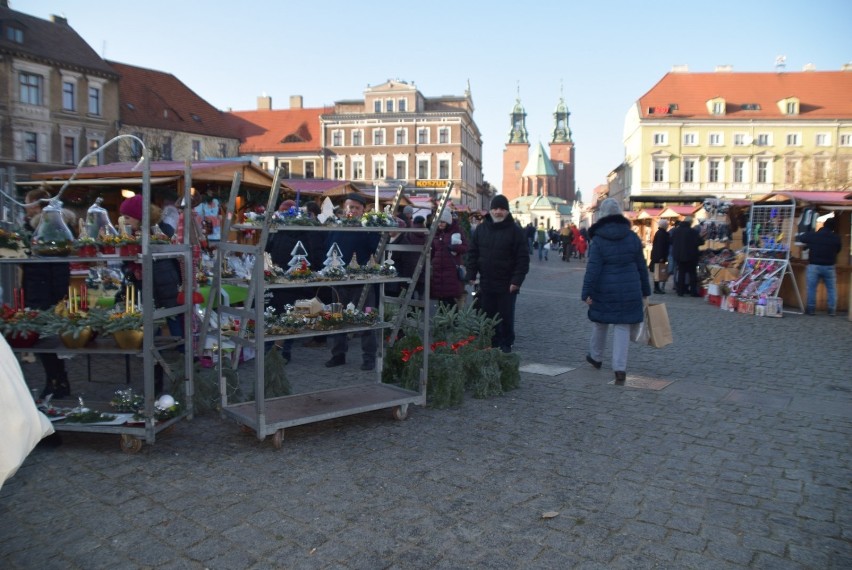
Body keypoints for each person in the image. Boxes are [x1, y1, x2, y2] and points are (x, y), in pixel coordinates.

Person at [581, 198, 651, 385]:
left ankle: (596, 357)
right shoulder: (632, 237)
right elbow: (641, 266)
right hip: (630, 287)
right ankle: (620, 369)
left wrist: (586, 291)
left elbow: (593, 268)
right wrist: (645, 289)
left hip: (604, 288)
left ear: (602, 215)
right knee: (622, 326)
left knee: (600, 322)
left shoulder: (598, 239)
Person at [118, 194, 183, 393]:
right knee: (152, 339)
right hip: (149, 290)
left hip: (161, 291)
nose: (124, 221)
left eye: (128, 217)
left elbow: (168, 263)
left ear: (140, 216)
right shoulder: (134, 234)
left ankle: (183, 374)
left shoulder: (158, 232)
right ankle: (158, 382)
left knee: (171, 334)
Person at [21, 187, 75, 399]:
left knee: (47, 339)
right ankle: (56, 379)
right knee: (45, 339)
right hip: (42, 285)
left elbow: (53, 265)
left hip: (44, 288)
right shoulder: (42, 227)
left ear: (39, 205)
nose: (26, 209)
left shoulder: (48, 227)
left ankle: (56, 380)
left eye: (29, 204)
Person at [465, 194, 530, 353]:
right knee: (487, 314)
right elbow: (472, 254)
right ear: (491, 210)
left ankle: (506, 344)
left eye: (502, 209)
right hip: (486, 282)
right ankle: (490, 342)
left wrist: (517, 280)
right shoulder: (481, 229)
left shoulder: (515, 231)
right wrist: (471, 274)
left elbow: (522, 259)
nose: (498, 212)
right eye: (495, 208)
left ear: (507, 211)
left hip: (507, 284)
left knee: (506, 316)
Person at [325, 193, 381, 370]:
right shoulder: (337, 227)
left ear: (363, 210)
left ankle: (369, 357)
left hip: (362, 282)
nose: (353, 211)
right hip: (338, 280)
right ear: (344, 208)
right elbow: (327, 248)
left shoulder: (369, 228)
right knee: (336, 318)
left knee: (367, 318)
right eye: (350, 207)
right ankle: (338, 354)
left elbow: (377, 250)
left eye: (357, 208)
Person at [798, 217, 842, 316]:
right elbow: (838, 250)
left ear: (824, 224)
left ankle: (811, 309)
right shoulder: (836, 238)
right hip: (829, 266)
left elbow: (802, 238)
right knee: (831, 289)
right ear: (833, 228)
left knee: (812, 288)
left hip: (814, 265)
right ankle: (832, 310)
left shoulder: (814, 235)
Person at [430, 208, 468, 308]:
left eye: (442, 222)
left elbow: (465, 247)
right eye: (438, 222)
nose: (440, 224)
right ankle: (442, 322)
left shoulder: (456, 231)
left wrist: (454, 247)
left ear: (448, 221)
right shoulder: (435, 233)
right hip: (438, 271)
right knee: (440, 301)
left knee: (450, 300)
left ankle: (452, 322)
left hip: (451, 272)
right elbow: (433, 250)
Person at [670, 216, 705, 297]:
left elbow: (671, 241)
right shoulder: (692, 231)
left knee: (681, 273)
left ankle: (680, 291)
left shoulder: (676, 231)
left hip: (678, 255)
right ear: (690, 223)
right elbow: (700, 242)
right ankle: (693, 291)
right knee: (692, 274)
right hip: (691, 256)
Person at [649, 219, 671, 294]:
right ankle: (656, 288)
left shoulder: (661, 233)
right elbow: (660, 246)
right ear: (664, 225)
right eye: (667, 224)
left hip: (657, 256)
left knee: (657, 272)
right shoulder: (661, 234)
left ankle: (657, 288)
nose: (668, 226)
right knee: (657, 273)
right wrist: (661, 257)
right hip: (659, 257)